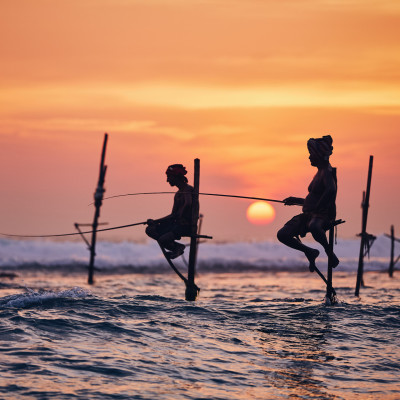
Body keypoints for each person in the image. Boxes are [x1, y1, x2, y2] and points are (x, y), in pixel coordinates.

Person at [277, 135, 339, 271]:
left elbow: (331, 190)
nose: (309, 157)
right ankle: (310, 251)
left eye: (311, 154)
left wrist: (317, 207)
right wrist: (296, 200)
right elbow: (314, 199)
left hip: (322, 215)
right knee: (282, 234)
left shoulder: (327, 172)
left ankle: (329, 253)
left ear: (319, 155)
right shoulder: (318, 173)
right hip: (309, 214)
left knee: (315, 227)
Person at [146, 164, 193, 259]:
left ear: (176, 177)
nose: (167, 180)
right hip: (176, 225)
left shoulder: (188, 189)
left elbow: (188, 203)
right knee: (150, 229)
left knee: (163, 240)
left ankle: (176, 248)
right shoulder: (177, 194)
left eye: (169, 177)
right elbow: (172, 215)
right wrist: (155, 221)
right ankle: (176, 247)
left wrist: (181, 213)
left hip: (186, 226)